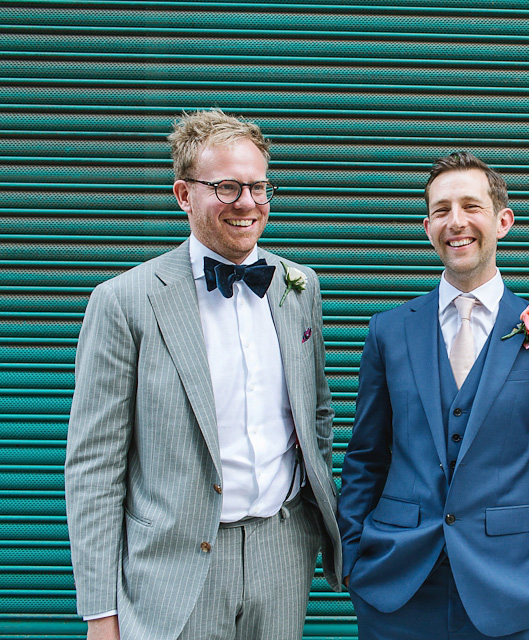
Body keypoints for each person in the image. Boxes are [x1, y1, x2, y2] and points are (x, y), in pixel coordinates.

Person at [65, 108, 342, 640]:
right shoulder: (124, 301)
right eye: (227, 187)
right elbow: (94, 467)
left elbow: (316, 416)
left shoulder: (297, 285)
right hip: (173, 567)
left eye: (259, 187)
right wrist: (100, 612)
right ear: (183, 195)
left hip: (280, 554)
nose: (248, 204)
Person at [338, 152, 529, 639]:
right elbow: (365, 453)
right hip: (396, 584)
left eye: (471, 206)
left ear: (503, 220)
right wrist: (352, 555)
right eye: (442, 209)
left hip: (512, 584)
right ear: (427, 226)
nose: (457, 222)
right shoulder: (388, 331)